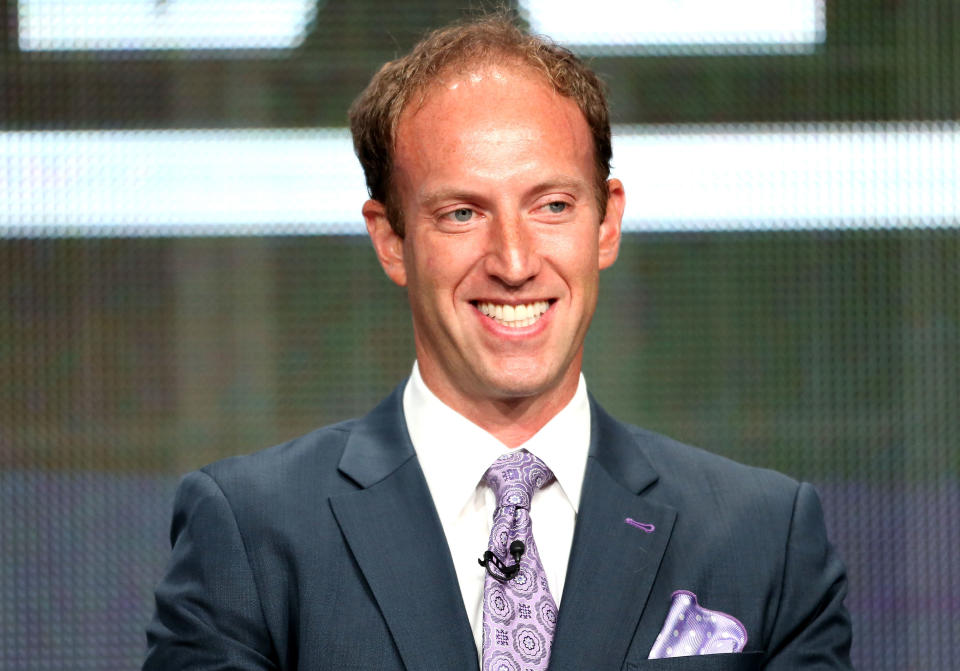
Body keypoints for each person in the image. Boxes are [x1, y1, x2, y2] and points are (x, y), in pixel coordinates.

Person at [144, 15, 853, 671]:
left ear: (606, 225)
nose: (513, 262)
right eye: (461, 213)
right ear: (391, 240)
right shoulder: (250, 531)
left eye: (552, 206)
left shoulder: (766, 540)